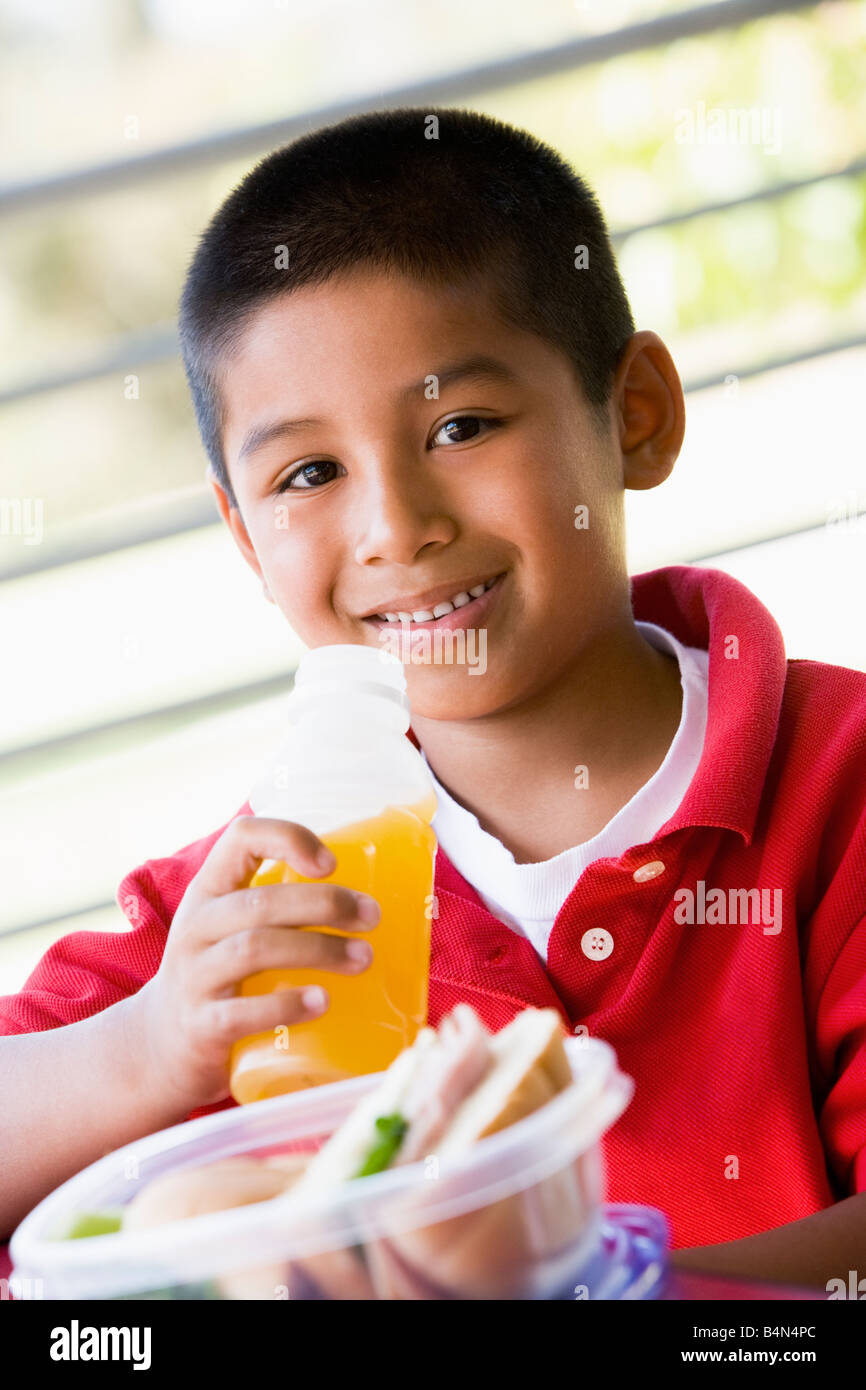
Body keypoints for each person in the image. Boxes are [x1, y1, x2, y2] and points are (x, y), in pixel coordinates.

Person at [2, 108, 864, 1290]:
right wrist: (146, 1048)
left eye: (459, 425)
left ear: (637, 413)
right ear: (244, 535)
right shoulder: (242, 916)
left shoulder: (840, 791)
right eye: (308, 473)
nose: (397, 527)